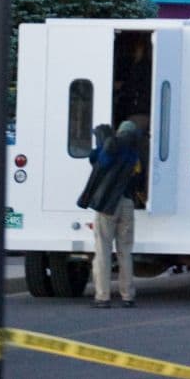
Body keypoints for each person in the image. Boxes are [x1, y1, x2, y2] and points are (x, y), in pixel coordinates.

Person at [79, 120, 142, 308]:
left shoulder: (112, 147)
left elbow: (97, 162)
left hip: (108, 205)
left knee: (103, 251)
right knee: (125, 252)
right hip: (128, 203)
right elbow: (138, 177)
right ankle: (128, 295)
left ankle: (103, 296)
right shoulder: (134, 154)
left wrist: (102, 144)